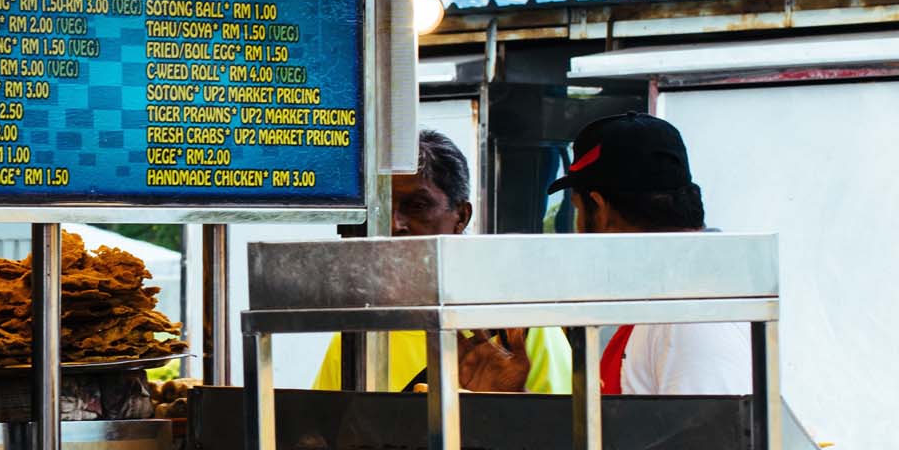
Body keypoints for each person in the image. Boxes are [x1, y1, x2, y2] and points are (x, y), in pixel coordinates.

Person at [314, 129, 571, 394]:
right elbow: (325, 433)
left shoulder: (520, 328)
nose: (394, 224)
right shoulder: (358, 339)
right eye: (383, 207)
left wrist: (506, 404)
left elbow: (570, 431)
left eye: (416, 206)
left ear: (461, 216)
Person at [546, 112, 753, 396]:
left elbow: (710, 437)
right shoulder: (663, 302)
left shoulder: (691, 317)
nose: (578, 229)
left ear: (600, 208)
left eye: (579, 210)